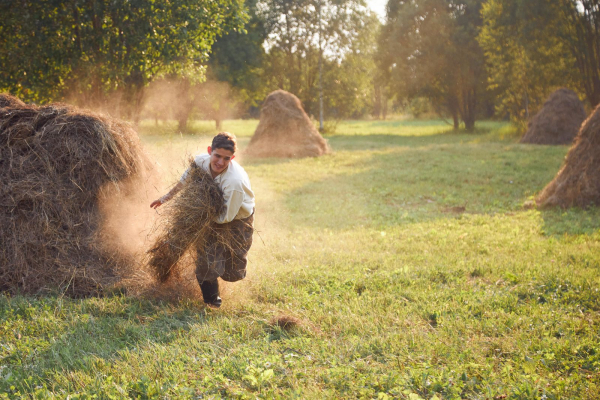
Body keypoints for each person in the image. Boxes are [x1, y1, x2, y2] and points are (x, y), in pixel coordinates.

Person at [150, 132, 255, 308]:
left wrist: (200, 220)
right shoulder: (200, 162)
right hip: (211, 216)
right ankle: (212, 301)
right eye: (217, 156)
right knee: (207, 261)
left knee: (232, 273)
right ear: (209, 151)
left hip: (237, 219)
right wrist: (165, 198)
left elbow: (226, 217)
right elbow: (184, 181)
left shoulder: (234, 182)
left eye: (226, 159)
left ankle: (223, 268)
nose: (220, 162)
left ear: (233, 158)